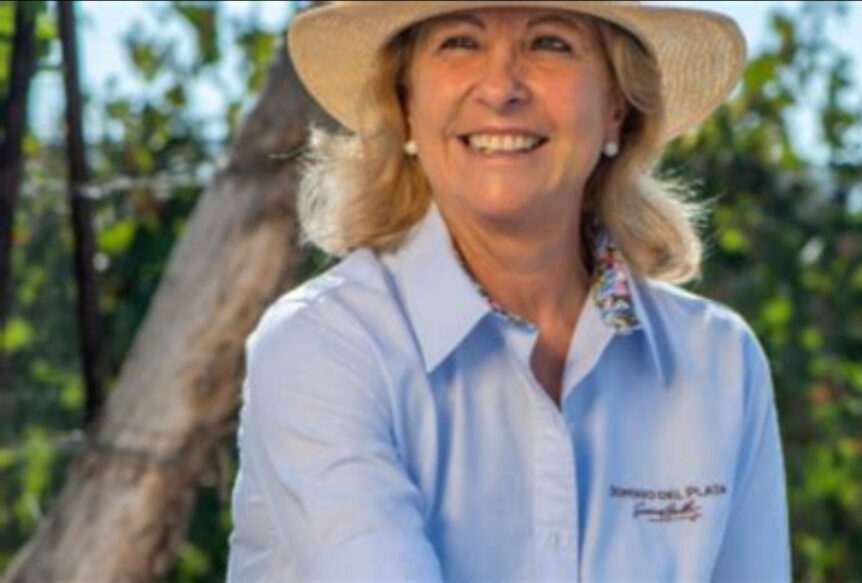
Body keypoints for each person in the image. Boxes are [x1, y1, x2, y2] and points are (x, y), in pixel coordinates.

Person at [227, 1, 790, 581]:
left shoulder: (719, 360)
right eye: (460, 43)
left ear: (617, 108)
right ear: (406, 105)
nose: (500, 89)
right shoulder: (323, 345)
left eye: (549, 43)